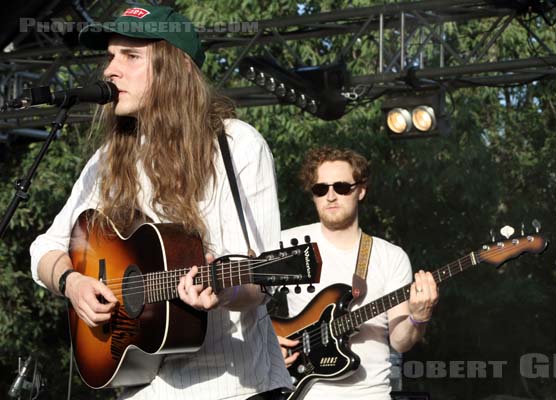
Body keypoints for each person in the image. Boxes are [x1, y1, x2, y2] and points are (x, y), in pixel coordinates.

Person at [29, 5, 289, 400]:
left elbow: (259, 278)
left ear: (177, 69)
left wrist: (224, 291)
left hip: (232, 387)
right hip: (138, 388)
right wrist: (73, 282)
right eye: (111, 56)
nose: (110, 70)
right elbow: (45, 248)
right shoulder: (108, 160)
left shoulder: (236, 145)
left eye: (131, 56)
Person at [277, 147, 439, 400]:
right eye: (320, 189)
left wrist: (419, 318)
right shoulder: (287, 246)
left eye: (341, 187)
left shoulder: (390, 256)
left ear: (361, 190)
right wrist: (267, 342)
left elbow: (400, 342)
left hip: (371, 393)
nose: (330, 196)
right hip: (300, 392)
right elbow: (246, 304)